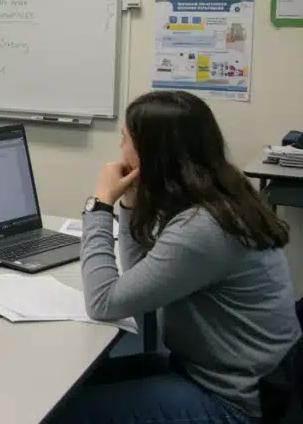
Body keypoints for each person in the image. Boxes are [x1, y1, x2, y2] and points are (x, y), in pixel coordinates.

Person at [52, 90, 299, 424]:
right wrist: (130, 202)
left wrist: (99, 206)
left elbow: (103, 302)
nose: (120, 149)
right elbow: (139, 281)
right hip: (220, 373)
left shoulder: (204, 228)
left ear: (153, 153)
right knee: (66, 384)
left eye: (125, 139)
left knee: (58, 412)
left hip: (232, 402)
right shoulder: (222, 196)